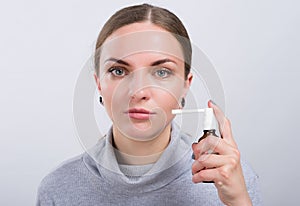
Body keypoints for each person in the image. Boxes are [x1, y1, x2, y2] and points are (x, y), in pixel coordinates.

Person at [36, 3, 261, 206]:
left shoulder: (228, 181)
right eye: (119, 71)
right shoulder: (57, 190)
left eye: (161, 72)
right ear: (99, 83)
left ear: (185, 85)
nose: (139, 92)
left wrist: (239, 201)